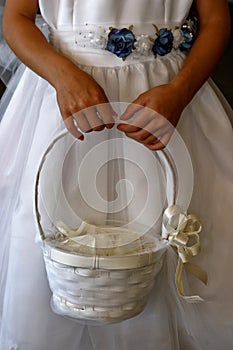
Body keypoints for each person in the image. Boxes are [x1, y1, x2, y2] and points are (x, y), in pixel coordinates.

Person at [0, 0, 233, 349]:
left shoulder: (176, 95)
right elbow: (16, 18)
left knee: (178, 232)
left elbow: (215, 19)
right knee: (52, 237)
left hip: (167, 98)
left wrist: (180, 92)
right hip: (64, 98)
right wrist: (62, 76)